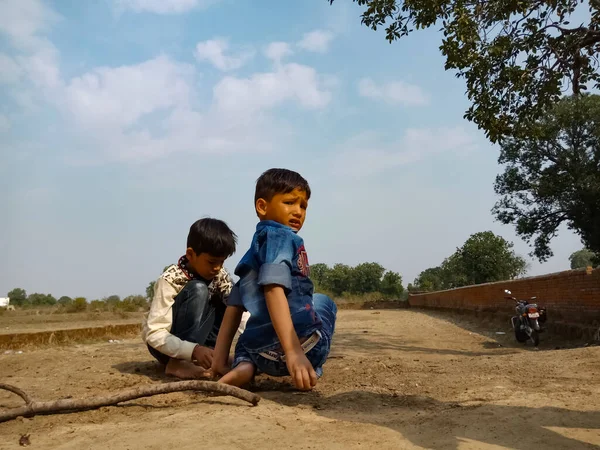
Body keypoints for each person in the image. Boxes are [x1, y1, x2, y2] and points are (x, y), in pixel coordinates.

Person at [211, 168, 337, 391]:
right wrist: (293, 352)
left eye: (303, 206)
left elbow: (234, 306)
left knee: (248, 335)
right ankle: (311, 368)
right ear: (262, 206)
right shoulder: (282, 236)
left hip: (261, 355)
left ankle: (244, 366)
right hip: (304, 348)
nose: (298, 211)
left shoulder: (251, 255)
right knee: (324, 302)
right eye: (289, 202)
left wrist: (219, 360)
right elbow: (273, 288)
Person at [141, 218, 238, 379]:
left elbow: (239, 312)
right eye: (212, 262)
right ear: (191, 254)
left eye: (222, 262)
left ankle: (214, 356)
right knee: (199, 289)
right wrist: (192, 350)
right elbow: (154, 334)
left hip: (200, 347)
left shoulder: (220, 276)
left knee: (232, 300)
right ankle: (177, 363)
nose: (217, 268)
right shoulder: (171, 279)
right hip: (167, 347)